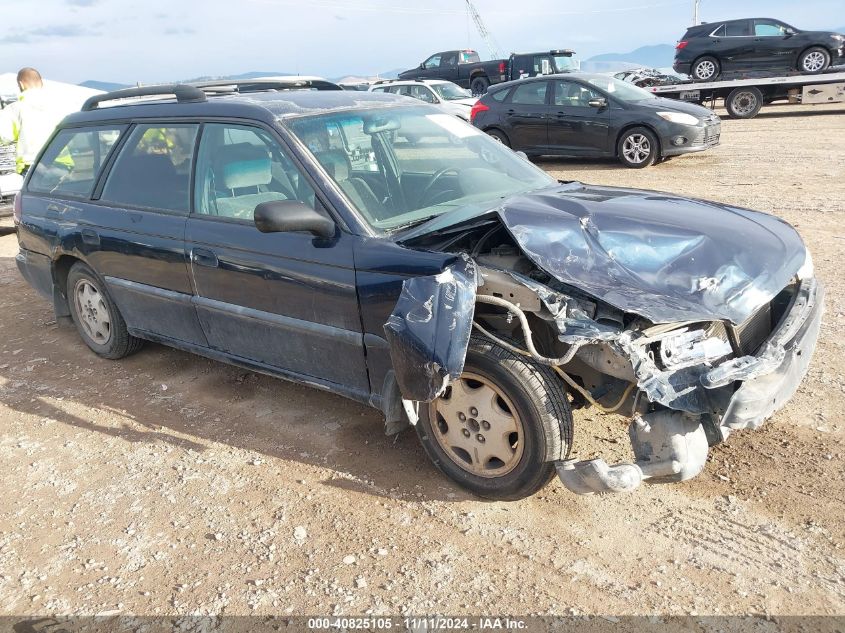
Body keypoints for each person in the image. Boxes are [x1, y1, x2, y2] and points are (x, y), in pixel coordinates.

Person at [0, 68, 77, 175]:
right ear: (41, 83)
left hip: (34, 167)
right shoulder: (61, 105)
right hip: (63, 165)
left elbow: (5, 137)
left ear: (21, 85)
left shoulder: (15, 109)